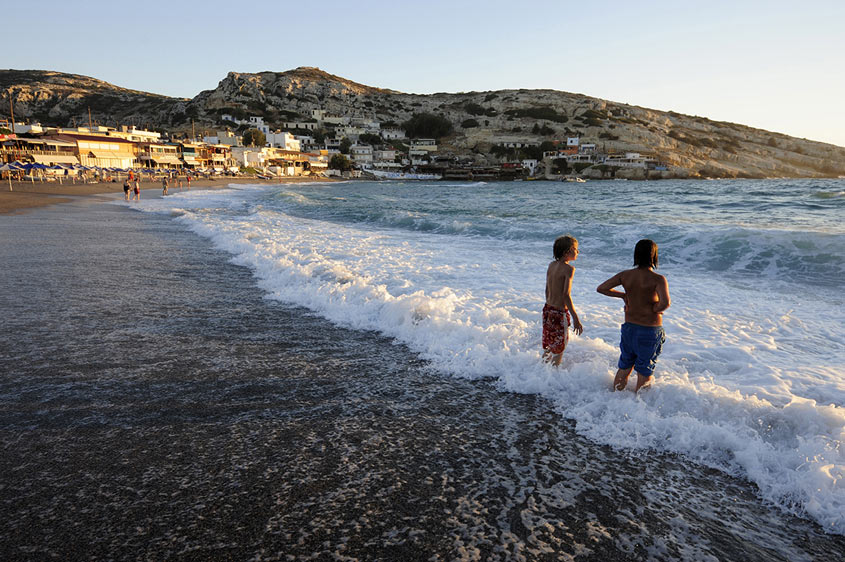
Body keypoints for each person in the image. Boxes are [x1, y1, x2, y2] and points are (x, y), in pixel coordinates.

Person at [597, 239, 671, 392]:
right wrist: (655, 308)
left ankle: (615, 397)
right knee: (644, 371)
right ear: (654, 256)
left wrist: (623, 295)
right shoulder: (658, 279)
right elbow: (665, 303)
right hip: (649, 331)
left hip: (629, 329)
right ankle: (638, 408)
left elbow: (602, 288)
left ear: (636, 255)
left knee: (625, 366)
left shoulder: (625, 275)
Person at [542, 235, 584, 366]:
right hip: (559, 313)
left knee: (549, 344)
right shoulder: (569, 269)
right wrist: (576, 318)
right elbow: (566, 295)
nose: (578, 252)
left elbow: (547, 289)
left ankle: (541, 370)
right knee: (559, 348)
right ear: (568, 252)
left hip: (547, 309)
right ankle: (553, 375)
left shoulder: (551, 265)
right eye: (576, 249)